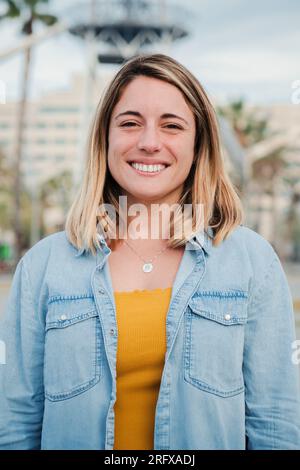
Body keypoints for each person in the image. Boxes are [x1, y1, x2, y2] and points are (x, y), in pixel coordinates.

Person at [0, 53, 299, 450]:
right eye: (130, 123)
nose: (149, 142)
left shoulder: (251, 262)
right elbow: (16, 424)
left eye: (172, 126)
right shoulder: (42, 267)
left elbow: (276, 422)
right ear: (104, 137)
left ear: (198, 144)